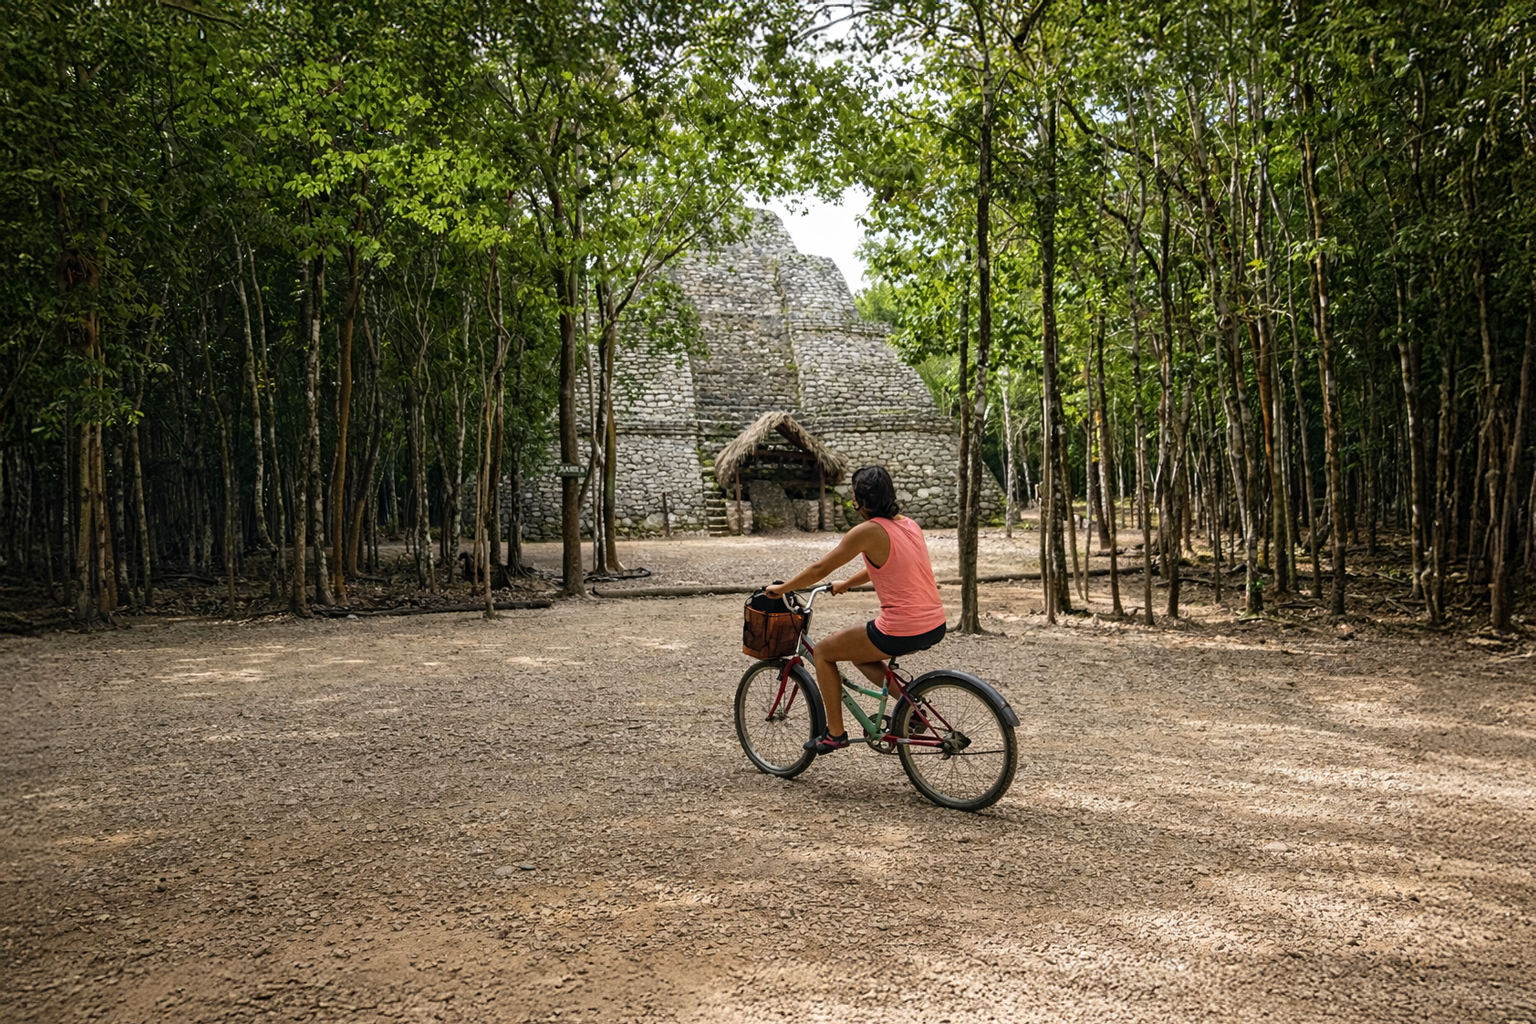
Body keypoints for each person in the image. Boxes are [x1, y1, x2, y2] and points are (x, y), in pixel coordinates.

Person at [765, 465, 947, 753]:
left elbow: (820, 568)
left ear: (861, 501)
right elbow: (888, 565)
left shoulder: (867, 531)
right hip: (935, 624)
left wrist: (783, 588)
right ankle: (913, 709)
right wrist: (847, 583)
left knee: (823, 651)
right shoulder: (910, 525)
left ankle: (834, 734)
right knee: (861, 656)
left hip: (901, 628)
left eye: (854, 500)